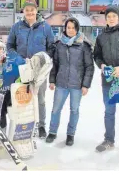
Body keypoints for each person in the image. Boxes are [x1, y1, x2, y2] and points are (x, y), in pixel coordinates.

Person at [6, 0, 55, 138]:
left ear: (36, 10)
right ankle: (24, 124)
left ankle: (41, 126)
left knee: (40, 99)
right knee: (21, 97)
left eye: (32, 9)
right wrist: (18, 59)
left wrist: (41, 59)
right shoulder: (17, 27)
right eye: (27, 10)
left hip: (39, 70)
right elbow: (9, 46)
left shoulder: (45, 27)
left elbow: (51, 47)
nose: (30, 12)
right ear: (23, 11)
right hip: (21, 69)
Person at [94, 6, 119, 157]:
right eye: (108, 16)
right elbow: (97, 56)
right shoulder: (101, 37)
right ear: (106, 18)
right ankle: (109, 140)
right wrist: (102, 65)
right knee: (109, 112)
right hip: (109, 81)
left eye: (114, 16)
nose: (111, 18)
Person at [46, 17, 95, 145]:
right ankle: (52, 132)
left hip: (76, 85)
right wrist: (52, 80)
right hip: (61, 83)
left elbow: (89, 66)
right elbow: (55, 64)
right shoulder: (59, 44)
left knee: (74, 110)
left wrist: (85, 85)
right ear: (65, 29)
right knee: (56, 109)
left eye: (73, 28)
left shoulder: (84, 45)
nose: (71, 30)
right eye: (68, 27)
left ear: (77, 29)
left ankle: (70, 134)